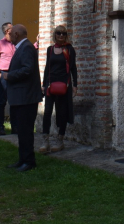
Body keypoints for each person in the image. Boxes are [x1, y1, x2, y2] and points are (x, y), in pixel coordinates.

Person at [3, 24, 42, 172]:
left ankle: (29, 161)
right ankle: (23, 159)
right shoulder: (23, 47)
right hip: (21, 97)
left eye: (11, 33)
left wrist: (9, 75)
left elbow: (27, 69)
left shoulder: (26, 47)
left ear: (17, 34)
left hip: (26, 97)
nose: (9, 36)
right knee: (21, 130)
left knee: (25, 131)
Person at [39, 25, 78, 153]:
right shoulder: (50, 49)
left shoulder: (69, 49)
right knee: (47, 112)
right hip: (51, 85)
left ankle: (60, 140)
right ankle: (45, 141)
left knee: (62, 113)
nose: (61, 35)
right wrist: (44, 85)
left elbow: (73, 68)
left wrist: (75, 85)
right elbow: (47, 68)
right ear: (54, 35)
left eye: (63, 33)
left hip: (64, 85)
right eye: (58, 33)